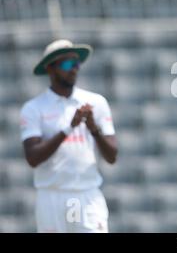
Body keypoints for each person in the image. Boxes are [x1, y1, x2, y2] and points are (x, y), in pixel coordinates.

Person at [20, 39, 118, 233]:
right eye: (67, 64)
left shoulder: (95, 102)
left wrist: (94, 130)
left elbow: (112, 156)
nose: (74, 69)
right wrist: (68, 128)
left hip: (87, 194)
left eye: (76, 63)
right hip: (51, 196)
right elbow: (32, 157)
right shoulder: (33, 108)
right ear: (50, 68)